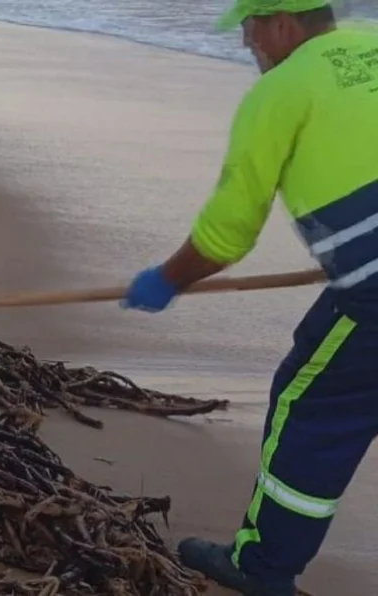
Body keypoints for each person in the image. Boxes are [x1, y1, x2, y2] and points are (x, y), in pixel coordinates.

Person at [120, 0, 378, 594]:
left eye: (250, 27)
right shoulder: (371, 43)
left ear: (283, 22)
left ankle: (262, 567)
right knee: (322, 344)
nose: (246, 43)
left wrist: (168, 279)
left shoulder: (279, 92)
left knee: (309, 405)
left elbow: (226, 234)